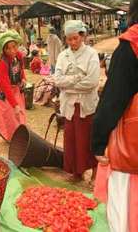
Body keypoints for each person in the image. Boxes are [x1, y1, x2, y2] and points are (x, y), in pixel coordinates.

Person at [92, 0, 138, 232]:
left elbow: (113, 100)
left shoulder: (131, 47)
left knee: (126, 214)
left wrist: (99, 142)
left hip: (133, 153)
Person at [54, 20, 100, 182]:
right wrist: (77, 78)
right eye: (69, 39)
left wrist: (69, 86)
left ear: (82, 36)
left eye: (76, 38)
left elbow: (92, 82)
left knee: (88, 139)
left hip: (85, 105)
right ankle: (76, 172)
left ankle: (95, 172)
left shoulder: (91, 54)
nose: (73, 42)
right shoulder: (62, 56)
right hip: (69, 106)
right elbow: (57, 80)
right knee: (72, 139)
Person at [0, 30, 27, 142]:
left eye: (14, 46)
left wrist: (23, 78)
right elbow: (5, 86)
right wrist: (14, 105)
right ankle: (12, 138)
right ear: (3, 49)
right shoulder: (1, 64)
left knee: (20, 115)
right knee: (9, 116)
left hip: (16, 90)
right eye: (8, 48)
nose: (12, 50)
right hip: (4, 93)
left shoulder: (19, 56)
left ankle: (20, 137)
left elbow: (21, 69)